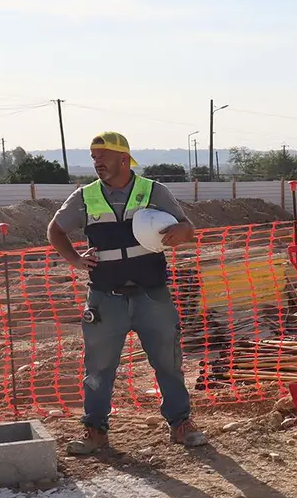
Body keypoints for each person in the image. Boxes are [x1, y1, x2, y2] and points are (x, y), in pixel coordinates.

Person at [46, 132, 208, 456]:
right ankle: (95, 432)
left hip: (153, 295)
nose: (97, 163)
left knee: (169, 362)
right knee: (99, 368)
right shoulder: (85, 197)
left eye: (102, 156)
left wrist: (182, 231)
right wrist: (75, 260)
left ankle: (181, 425)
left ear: (123, 158)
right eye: (93, 157)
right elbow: (55, 230)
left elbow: (188, 228)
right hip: (106, 297)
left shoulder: (153, 191)